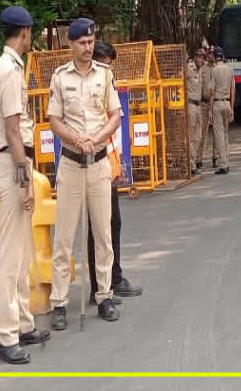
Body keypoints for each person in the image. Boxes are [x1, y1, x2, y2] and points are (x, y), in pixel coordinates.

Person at [0, 6, 50, 365]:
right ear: (24, 32)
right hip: (14, 163)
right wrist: (24, 181)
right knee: (9, 257)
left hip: (7, 161)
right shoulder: (8, 72)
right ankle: (6, 336)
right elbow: (10, 129)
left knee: (21, 252)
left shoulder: (7, 68)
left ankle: (23, 324)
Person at [46, 18, 123, 329]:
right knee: (64, 238)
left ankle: (104, 295)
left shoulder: (104, 75)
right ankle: (59, 302)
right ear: (71, 44)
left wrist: (98, 137)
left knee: (103, 235)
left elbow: (116, 115)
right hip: (71, 162)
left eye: (91, 42)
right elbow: (53, 119)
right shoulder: (59, 77)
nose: (88, 48)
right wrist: (76, 139)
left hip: (99, 163)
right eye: (82, 43)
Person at [85, 41, 142, 304]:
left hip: (109, 164)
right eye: (107, 64)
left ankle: (109, 280)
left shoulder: (106, 86)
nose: (111, 70)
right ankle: (104, 284)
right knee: (101, 227)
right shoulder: (90, 91)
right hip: (95, 165)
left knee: (111, 224)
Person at [209, 46, 235, 174]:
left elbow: (212, 91)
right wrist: (232, 108)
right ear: (223, 56)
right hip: (227, 104)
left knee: (219, 135)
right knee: (225, 134)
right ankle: (227, 161)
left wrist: (210, 109)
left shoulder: (214, 70)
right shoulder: (229, 70)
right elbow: (233, 90)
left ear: (215, 57)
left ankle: (223, 165)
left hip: (218, 104)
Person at [186, 47, 209, 174]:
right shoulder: (189, 68)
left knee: (199, 136)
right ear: (195, 57)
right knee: (191, 135)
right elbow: (181, 82)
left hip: (199, 106)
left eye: (203, 57)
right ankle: (191, 164)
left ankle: (192, 159)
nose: (201, 59)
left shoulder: (201, 70)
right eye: (199, 57)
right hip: (190, 106)